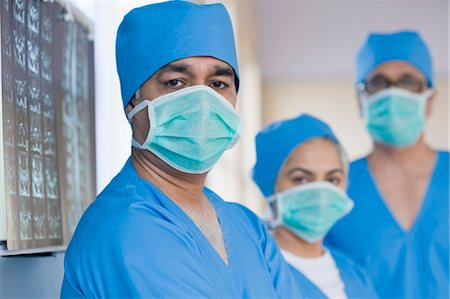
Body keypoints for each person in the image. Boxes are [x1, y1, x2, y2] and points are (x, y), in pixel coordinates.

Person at [61, 1, 304, 298]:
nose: (202, 101)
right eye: (175, 82)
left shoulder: (248, 227)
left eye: (217, 83)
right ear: (132, 103)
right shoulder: (126, 228)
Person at [326, 30, 449, 298]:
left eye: (409, 83)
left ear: (430, 100)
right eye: (378, 83)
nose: (394, 94)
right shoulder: (333, 188)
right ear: (360, 101)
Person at [252, 114, 378, 298]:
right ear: (270, 186)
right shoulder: (256, 271)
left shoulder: (354, 274)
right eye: (301, 179)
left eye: (332, 179)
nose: (320, 193)